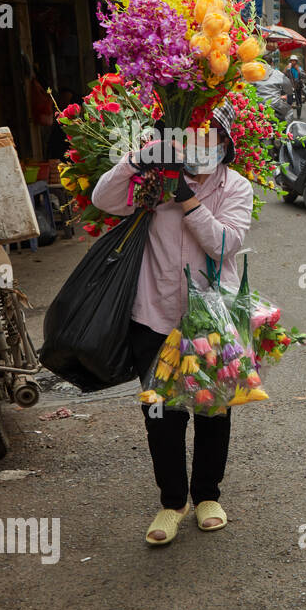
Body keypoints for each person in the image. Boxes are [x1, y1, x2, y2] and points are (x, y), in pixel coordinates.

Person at [91, 102, 254, 545]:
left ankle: (207, 496)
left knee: (212, 407)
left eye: (210, 138)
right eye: (192, 139)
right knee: (161, 413)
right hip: (153, 313)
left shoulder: (235, 187)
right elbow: (102, 200)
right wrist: (140, 159)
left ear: (225, 143)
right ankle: (172, 503)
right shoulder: (152, 183)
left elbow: (225, 245)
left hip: (211, 316)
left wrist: (187, 199)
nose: (201, 147)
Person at [45, 88, 76, 159]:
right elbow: (52, 142)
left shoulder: (75, 119)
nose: (66, 102)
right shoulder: (58, 119)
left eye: (68, 100)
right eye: (63, 100)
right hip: (59, 153)